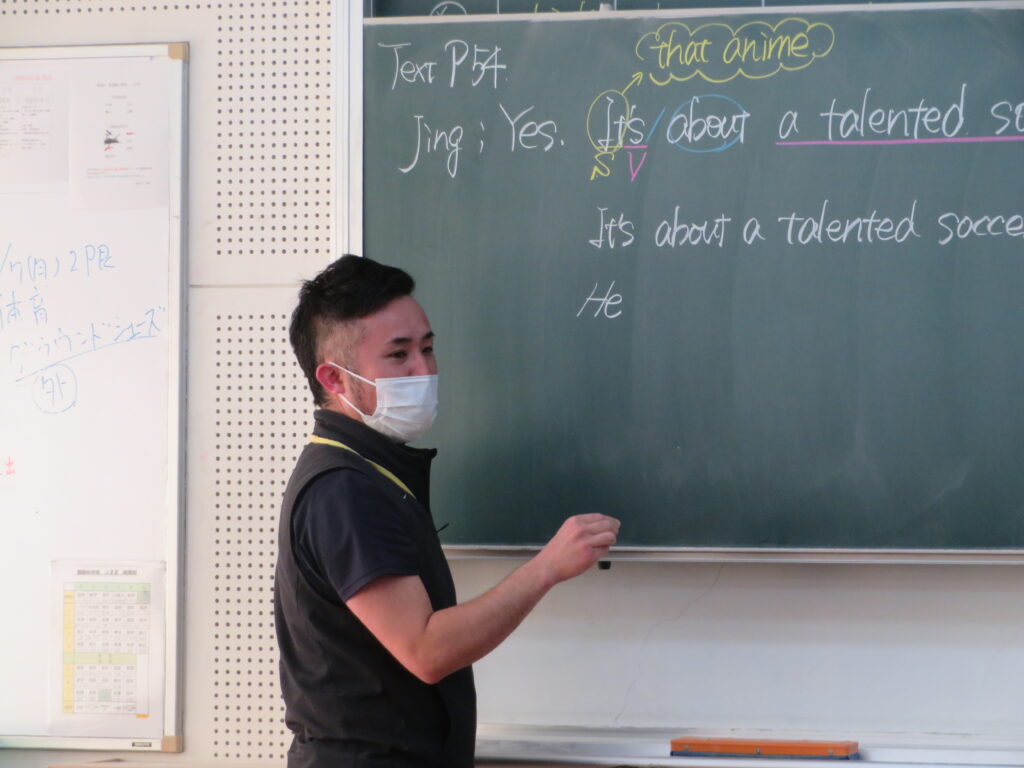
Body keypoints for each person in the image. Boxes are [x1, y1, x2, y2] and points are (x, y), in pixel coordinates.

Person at [274, 254, 620, 768]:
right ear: (335, 379)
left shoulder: (372, 472)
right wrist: (546, 569)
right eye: (399, 355)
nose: (424, 370)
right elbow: (426, 650)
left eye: (428, 348)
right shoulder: (344, 491)